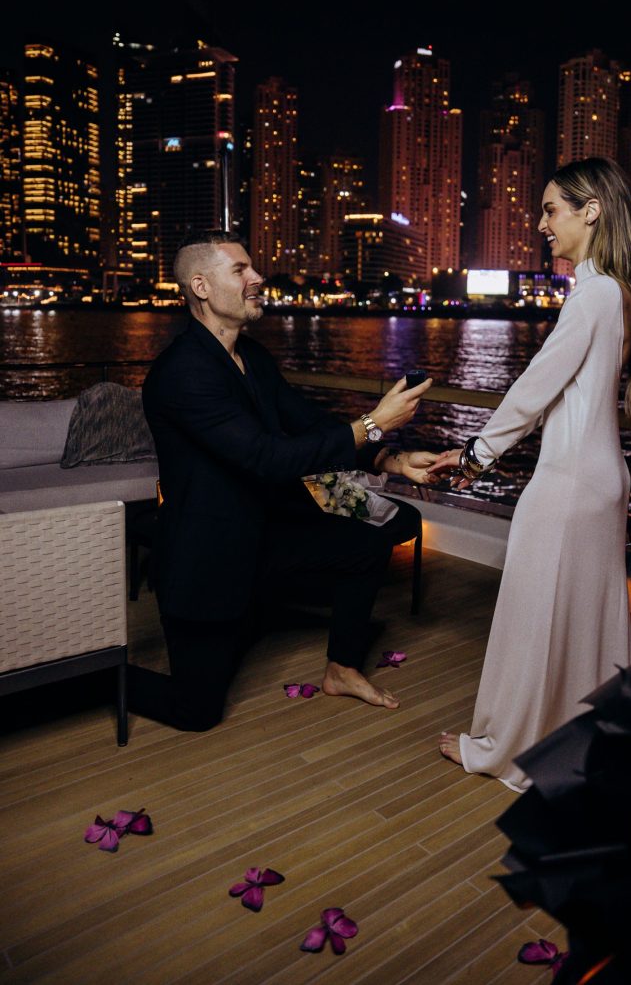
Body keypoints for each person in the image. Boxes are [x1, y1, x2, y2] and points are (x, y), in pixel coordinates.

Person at [128, 230, 436, 732]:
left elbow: (305, 420)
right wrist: (374, 421)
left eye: (253, 268)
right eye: (240, 270)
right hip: (207, 560)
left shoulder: (254, 357)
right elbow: (267, 457)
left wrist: (390, 459)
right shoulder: (181, 372)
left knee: (368, 539)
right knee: (197, 712)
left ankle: (342, 667)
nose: (257, 278)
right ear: (201, 287)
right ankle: (94, 680)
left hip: (264, 537)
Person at [431, 157, 631, 790]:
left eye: (552, 209)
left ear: (592, 211)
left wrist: (476, 454)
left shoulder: (594, 296)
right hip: (605, 483)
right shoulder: (620, 294)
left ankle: (501, 750)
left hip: (568, 484)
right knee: (588, 626)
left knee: (533, 621)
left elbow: (533, 389)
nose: (540, 223)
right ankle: (589, 748)